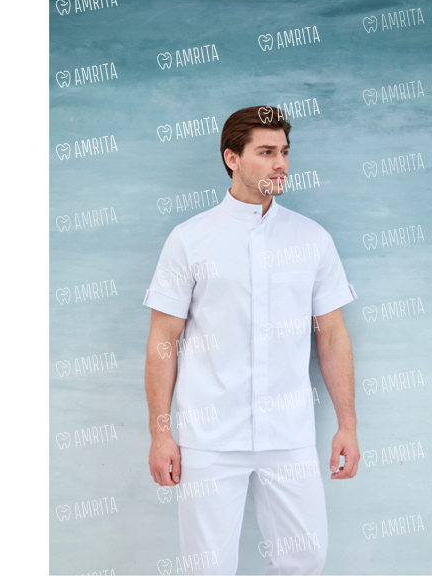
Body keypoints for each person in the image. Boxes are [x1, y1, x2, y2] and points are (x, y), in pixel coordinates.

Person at [143, 106, 360, 575]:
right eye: (265, 152)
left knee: (306, 558)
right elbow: (163, 339)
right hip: (210, 435)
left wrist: (348, 424)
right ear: (232, 158)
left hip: (289, 433)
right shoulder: (189, 240)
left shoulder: (312, 239)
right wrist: (161, 433)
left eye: (284, 151)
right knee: (206, 567)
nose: (280, 163)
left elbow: (332, 336)